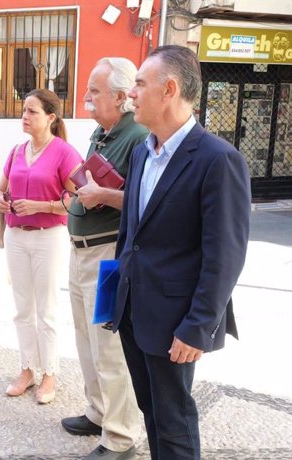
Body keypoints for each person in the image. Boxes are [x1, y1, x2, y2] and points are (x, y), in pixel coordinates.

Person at [114, 45, 250, 459]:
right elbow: (130, 233)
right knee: (151, 411)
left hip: (176, 321)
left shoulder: (218, 159)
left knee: (174, 421)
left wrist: (199, 325)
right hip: (134, 310)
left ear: (169, 89)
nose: (130, 94)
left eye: (139, 84)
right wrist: (115, 295)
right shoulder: (142, 151)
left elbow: (225, 254)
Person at [61, 58, 147, 460]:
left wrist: (102, 196)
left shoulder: (138, 135)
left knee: (109, 347)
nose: (87, 97)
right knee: (86, 340)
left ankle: (120, 436)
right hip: (82, 253)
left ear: (119, 96)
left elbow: (148, 200)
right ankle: (98, 412)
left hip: (110, 255)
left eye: (94, 91)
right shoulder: (103, 131)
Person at [0, 89, 83, 404]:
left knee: (46, 309)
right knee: (22, 308)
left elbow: (79, 198)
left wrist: (41, 205)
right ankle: (27, 368)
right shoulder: (17, 150)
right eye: (24, 110)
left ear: (51, 117)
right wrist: (0, 200)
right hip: (16, 236)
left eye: (32, 111)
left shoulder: (65, 153)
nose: (25, 116)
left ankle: (50, 374)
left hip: (49, 237)